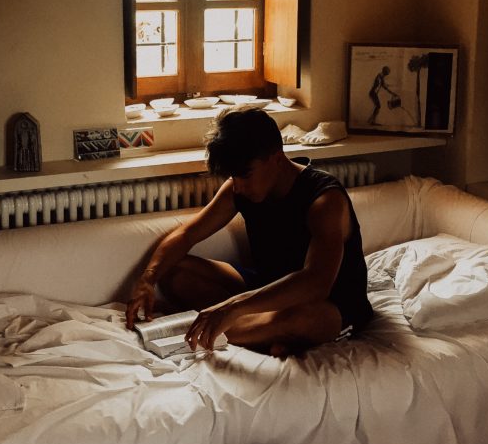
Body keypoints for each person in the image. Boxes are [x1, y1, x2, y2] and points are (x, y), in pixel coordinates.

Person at [125, 106, 373, 357]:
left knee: (300, 318)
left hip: (329, 303)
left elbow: (316, 283)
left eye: (245, 175)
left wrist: (233, 307)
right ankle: (262, 335)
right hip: (266, 286)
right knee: (176, 271)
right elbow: (187, 235)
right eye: (234, 175)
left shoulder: (325, 199)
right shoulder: (238, 188)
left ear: (276, 158)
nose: (239, 185)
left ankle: (243, 330)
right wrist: (148, 279)